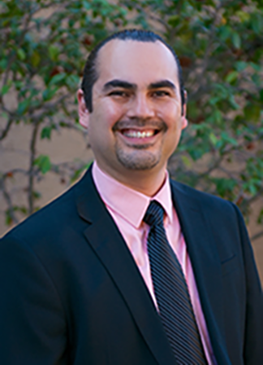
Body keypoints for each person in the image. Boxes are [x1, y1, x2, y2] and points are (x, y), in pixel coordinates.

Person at [0, 29, 262, 365]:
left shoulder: (223, 221)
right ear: (84, 106)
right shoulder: (32, 255)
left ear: (182, 109)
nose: (142, 111)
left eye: (160, 93)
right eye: (121, 93)